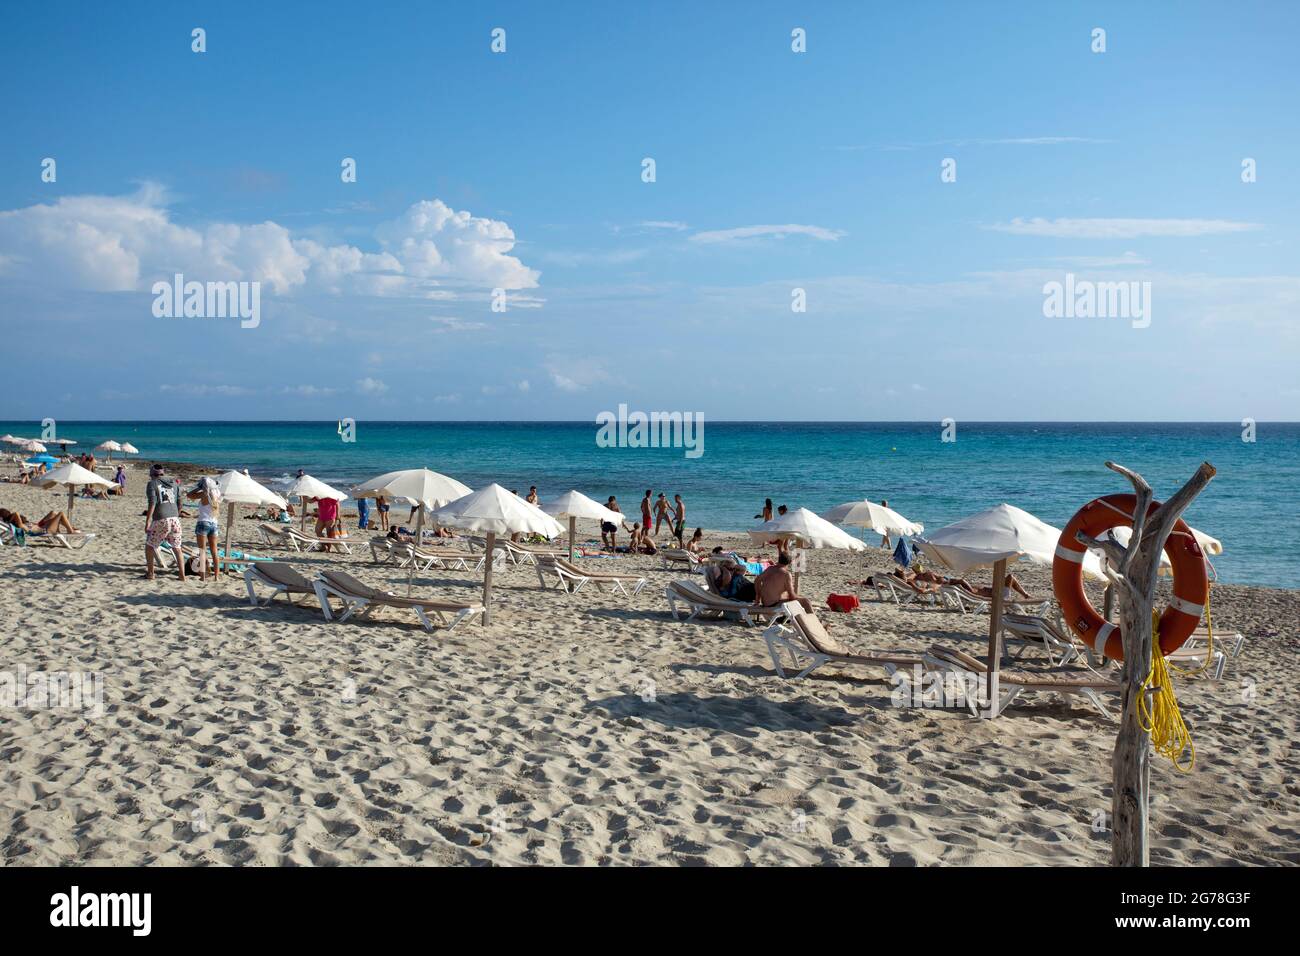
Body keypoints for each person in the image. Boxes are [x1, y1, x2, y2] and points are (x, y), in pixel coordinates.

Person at [144, 464, 185, 582]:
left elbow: (152, 503)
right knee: (177, 548)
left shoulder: (152, 484)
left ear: (152, 474)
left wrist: (147, 521)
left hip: (161, 519)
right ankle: (182, 575)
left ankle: (151, 573)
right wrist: (177, 512)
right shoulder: (174, 483)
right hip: (175, 519)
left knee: (150, 546)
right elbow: (180, 501)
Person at [186, 476, 222, 582]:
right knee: (214, 551)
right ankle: (216, 576)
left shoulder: (203, 494)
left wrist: (198, 487)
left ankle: (203, 576)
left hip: (203, 522)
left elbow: (189, 495)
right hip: (214, 524)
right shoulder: (217, 494)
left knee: (202, 551)